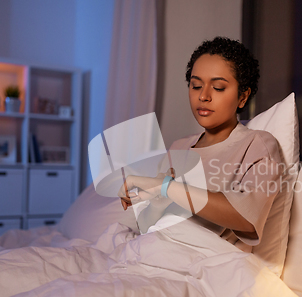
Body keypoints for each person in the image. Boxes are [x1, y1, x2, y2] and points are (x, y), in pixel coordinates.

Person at [119, 36, 283, 253]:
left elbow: (247, 219)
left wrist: (167, 188)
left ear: (242, 97)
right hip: (152, 252)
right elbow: (147, 228)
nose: (203, 96)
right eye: (196, 86)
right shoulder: (178, 148)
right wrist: (158, 205)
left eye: (218, 87)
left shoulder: (256, 144)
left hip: (204, 263)